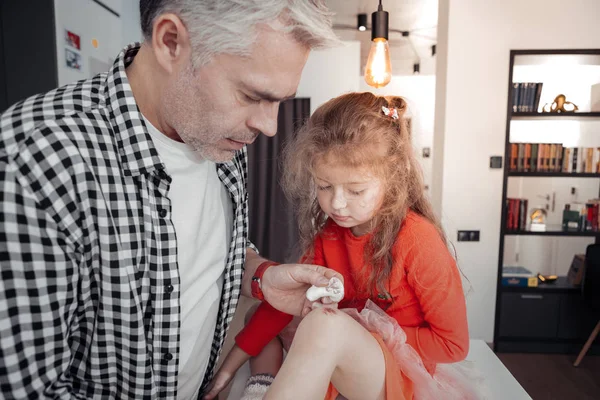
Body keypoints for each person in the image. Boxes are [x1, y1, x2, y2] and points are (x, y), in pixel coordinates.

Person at [0, 1, 341, 399]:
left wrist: (262, 277)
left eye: (281, 100)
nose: (268, 126)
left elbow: (205, 250)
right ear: (171, 41)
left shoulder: (221, 138)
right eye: (252, 95)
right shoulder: (32, 162)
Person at [205, 92, 473, 400]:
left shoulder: (419, 239)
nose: (338, 203)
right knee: (262, 315)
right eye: (324, 186)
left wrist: (363, 331)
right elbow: (279, 307)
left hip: (397, 372)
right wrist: (228, 367)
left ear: (393, 179)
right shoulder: (329, 236)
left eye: (356, 190)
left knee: (323, 324)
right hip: (344, 354)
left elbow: (453, 345)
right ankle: (262, 384)